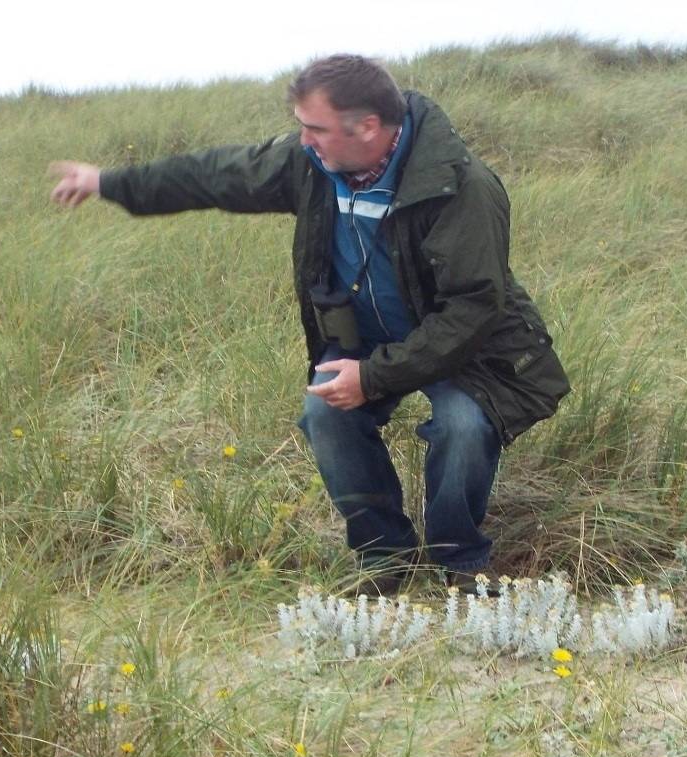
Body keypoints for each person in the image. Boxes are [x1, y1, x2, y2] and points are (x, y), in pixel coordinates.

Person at [50, 54, 568, 594]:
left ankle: (458, 559)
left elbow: (472, 310)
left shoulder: (461, 187)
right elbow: (221, 174)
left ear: (366, 127)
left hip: (461, 345)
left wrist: (372, 378)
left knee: (463, 427)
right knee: (325, 411)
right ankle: (385, 558)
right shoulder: (312, 164)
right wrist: (110, 182)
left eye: (314, 128)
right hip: (363, 336)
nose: (302, 141)